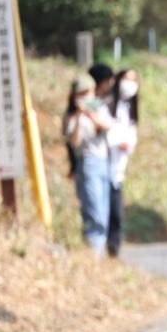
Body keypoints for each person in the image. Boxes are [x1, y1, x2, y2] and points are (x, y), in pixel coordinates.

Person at [62, 73, 113, 255]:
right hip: (87, 163)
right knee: (94, 210)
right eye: (82, 94)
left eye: (89, 92)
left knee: (104, 209)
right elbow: (74, 142)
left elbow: (107, 125)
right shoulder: (71, 116)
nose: (86, 97)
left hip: (103, 162)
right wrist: (78, 115)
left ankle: (98, 250)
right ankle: (94, 251)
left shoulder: (98, 108)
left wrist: (90, 113)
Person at [104, 67, 141, 257]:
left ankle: (114, 246)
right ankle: (108, 245)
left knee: (117, 211)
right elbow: (106, 132)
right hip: (106, 165)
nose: (130, 84)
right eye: (127, 78)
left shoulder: (130, 108)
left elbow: (132, 135)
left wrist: (128, 145)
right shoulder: (108, 104)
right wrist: (119, 143)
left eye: (134, 80)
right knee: (109, 209)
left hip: (118, 170)